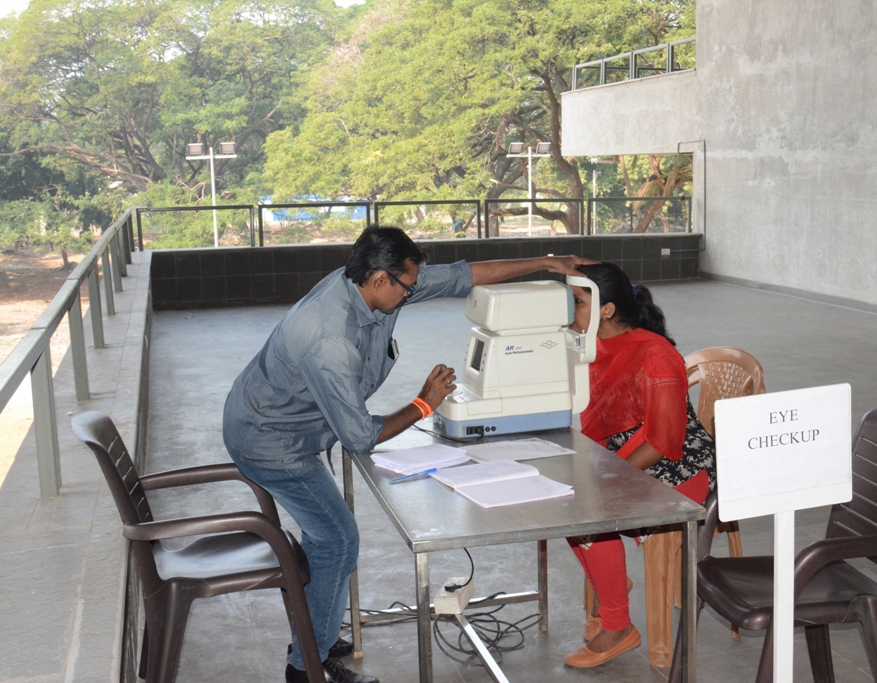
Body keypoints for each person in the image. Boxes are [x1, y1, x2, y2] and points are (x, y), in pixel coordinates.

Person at [222, 225, 594, 683]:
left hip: (294, 423)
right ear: (380, 279)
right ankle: (307, 666)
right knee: (337, 539)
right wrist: (423, 403)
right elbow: (358, 436)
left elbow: (463, 276)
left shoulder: (368, 285)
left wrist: (546, 263)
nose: (413, 291)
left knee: (327, 537)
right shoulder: (329, 339)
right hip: (272, 441)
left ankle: (314, 630)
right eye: (407, 286)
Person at [562, 262, 716, 669]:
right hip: (630, 461)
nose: (570, 311)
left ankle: (618, 626)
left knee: (589, 513)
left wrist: (608, 478)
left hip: (679, 473)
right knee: (561, 500)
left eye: (578, 303)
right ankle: (611, 582)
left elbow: (663, 441)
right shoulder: (594, 347)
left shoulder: (655, 355)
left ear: (606, 310)